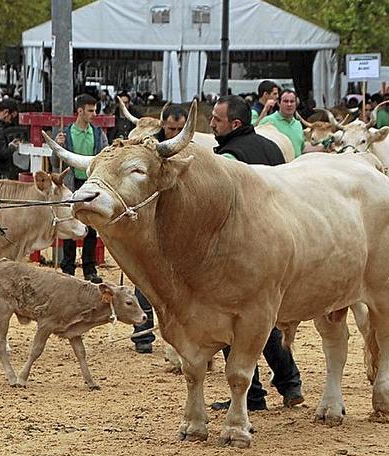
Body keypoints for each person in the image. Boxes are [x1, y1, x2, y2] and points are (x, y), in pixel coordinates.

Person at [209, 95, 303, 411]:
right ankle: (290, 384)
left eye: (216, 120)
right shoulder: (271, 147)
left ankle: (253, 395)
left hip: (241, 251)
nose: (211, 124)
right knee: (267, 321)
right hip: (279, 243)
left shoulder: (229, 159)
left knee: (233, 326)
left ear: (234, 124)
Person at [130, 104, 189, 354]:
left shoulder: (192, 148)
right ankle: (143, 334)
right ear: (162, 125)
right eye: (171, 127)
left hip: (184, 225)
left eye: (179, 128)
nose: (174, 133)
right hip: (151, 224)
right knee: (145, 280)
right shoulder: (146, 151)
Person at [56, 94, 108, 284]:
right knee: (70, 225)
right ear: (80, 111)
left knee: (91, 227)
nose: (94, 114)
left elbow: (104, 156)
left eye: (94, 110)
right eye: (91, 111)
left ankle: (89, 268)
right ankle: (68, 267)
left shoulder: (98, 133)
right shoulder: (65, 133)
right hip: (72, 184)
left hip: (90, 184)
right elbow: (56, 162)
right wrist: (58, 146)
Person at [258, 89, 305, 158]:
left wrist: (324, 148)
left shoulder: (298, 124)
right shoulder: (267, 121)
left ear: (296, 104)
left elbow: (302, 149)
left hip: (296, 167)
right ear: (278, 103)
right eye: (286, 101)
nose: (289, 104)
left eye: (292, 101)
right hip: (277, 167)